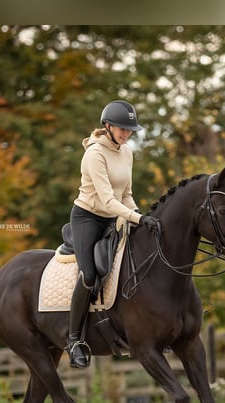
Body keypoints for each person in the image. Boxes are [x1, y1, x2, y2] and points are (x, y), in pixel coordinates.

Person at [67, 99, 159, 368]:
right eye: (122, 128)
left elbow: (126, 195)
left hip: (114, 217)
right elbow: (107, 201)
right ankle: (74, 341)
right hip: (88, 219)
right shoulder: (94, 154)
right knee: (89, 275)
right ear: (107, 126)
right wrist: (138, 217)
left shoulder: (127, 152)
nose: (126, 133)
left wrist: (141, 217)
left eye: (130, 129)